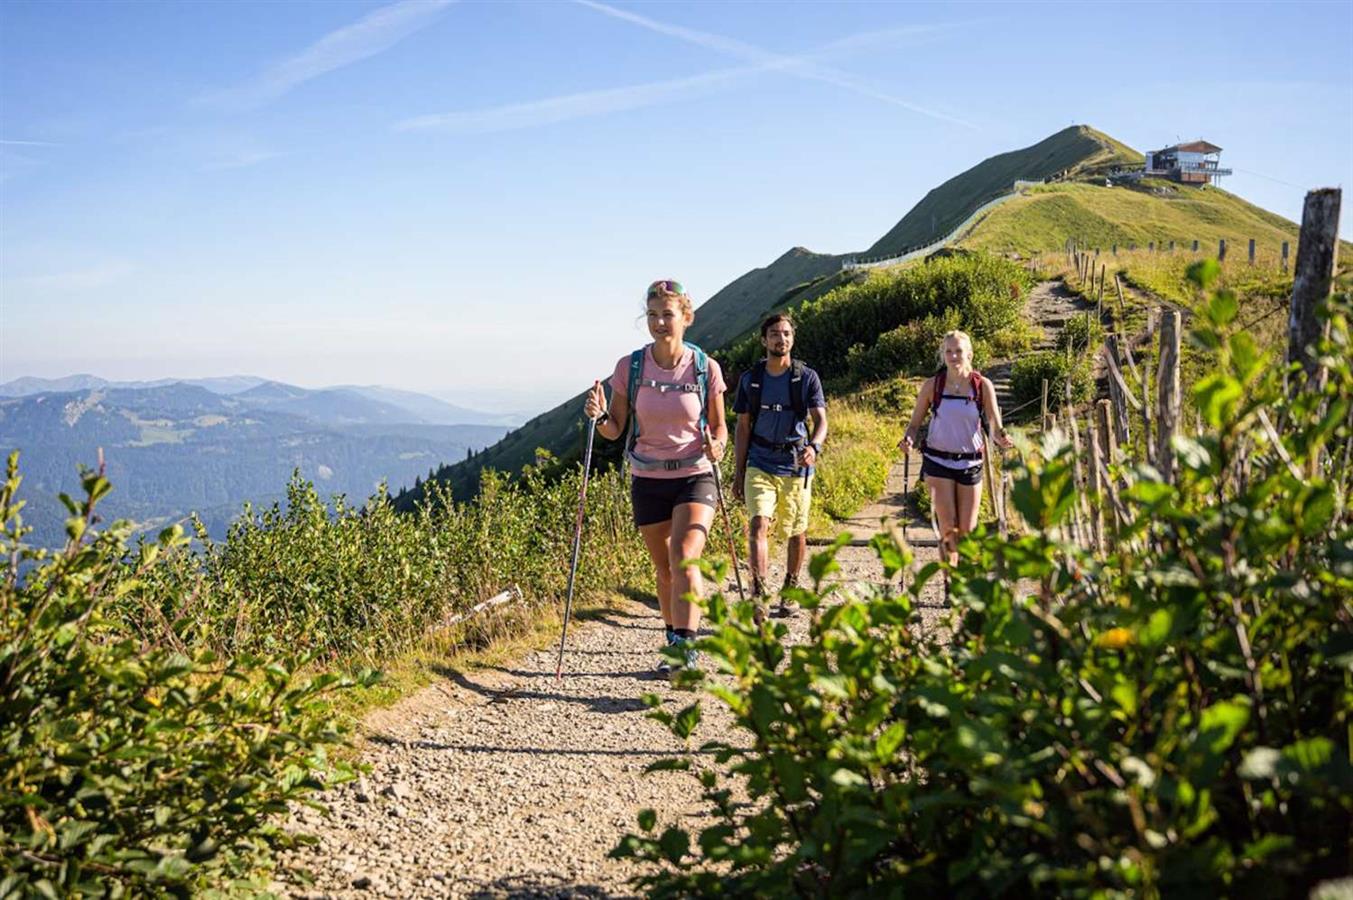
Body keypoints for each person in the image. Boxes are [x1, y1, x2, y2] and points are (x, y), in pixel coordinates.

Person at [584, 279, 728, 677]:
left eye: (667, 314)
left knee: (684, 556)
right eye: (652, 315)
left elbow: (720, 426)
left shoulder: (705, 368)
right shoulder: (629, 367)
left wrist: (717, 446)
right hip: (647, 477)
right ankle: (672, 638)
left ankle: (686, 649)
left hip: (695, 475)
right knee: (665, 569)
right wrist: (599, 416)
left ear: (686, 317)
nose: (659, 322)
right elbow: (615, 429)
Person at [732, 313, 827, 621]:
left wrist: (813, 447)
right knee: (758, 524)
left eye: (786, 333)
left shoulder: (807, 377)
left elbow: (821, 421)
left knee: (796, 531)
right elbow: (742, 427)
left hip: (796, 465)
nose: (780, 339)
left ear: (792, 339)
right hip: (759, 462)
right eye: (774, 333)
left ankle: (791, 586)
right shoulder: (751, 379)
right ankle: (759, 593)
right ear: (764, 340)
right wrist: (738, 473)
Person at [899, 329, 1013, 566]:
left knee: (967, 532)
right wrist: (908, 439)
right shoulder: (932, 386)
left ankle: (964, 580)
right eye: (948, 351)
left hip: (971, 463)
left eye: (958, 351)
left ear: (969, 354)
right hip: (937, 462)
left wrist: (1002, 438)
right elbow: (914, 425)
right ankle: (949, 582)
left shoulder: (982, 386)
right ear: (943, 355)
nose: (953, 356)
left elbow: (995, 425)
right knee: (948, 529)